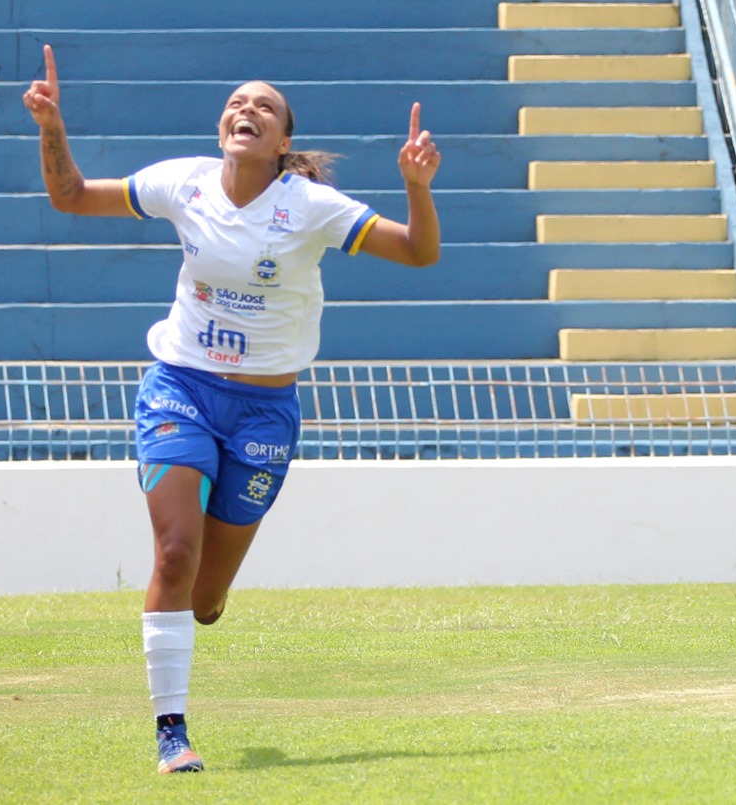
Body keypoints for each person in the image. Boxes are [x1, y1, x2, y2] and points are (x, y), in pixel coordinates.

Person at [23, 44, 441, 774]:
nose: (246, 110)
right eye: (237, 102)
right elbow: (70, 196)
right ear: (222, 125)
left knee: (207, 598)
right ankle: (171, 733)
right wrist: (51, 126)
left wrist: (416, 186)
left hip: (264, 412)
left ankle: (200, 609)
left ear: (283, 143)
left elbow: (417, 253)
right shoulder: (182, 183)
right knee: (174, 552)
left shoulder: (309, 206)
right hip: (180, 387)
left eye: (265, 108)